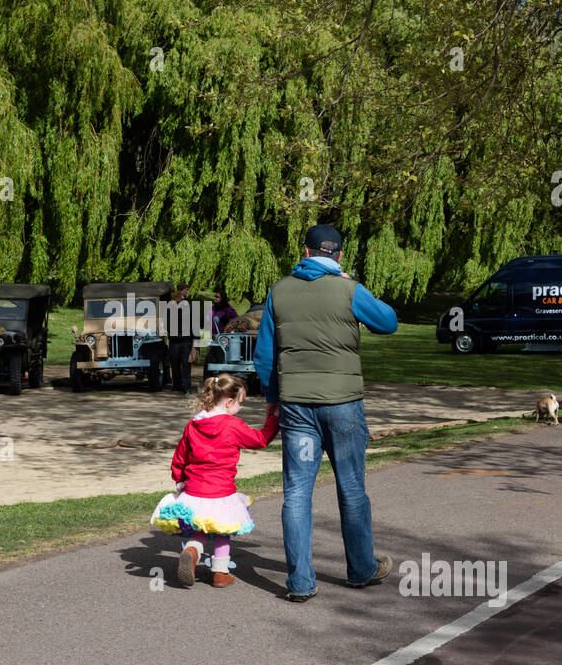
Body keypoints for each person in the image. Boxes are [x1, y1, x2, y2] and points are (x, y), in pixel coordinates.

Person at [253, 223, 399, 602]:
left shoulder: (279, 291)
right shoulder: (349, 289)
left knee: (297, 492)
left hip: (296, 406)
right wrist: (355, 285)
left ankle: (300, 583)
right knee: (351, 488)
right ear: (338, 256)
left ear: (305, 253)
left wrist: (273, 398)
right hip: (344, 405)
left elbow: (266, 354)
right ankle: (361, 569)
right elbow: (388, 322)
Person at [152, 374, 279, 588]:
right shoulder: (233, 425)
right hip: (221, 490)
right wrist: (274, 419)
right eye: (240, 403)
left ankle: (191, 552)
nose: (240, 407)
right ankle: (220, 573)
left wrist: (179, 479)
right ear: (229, 402)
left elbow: (180, 457)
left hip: (194, 489)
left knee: (199, 528)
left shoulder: (193, 425)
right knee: (224, 530)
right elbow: (260, 440)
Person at [163, 282, 198, 393]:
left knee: (185, 364)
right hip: (175, 340)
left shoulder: (187, 307)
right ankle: (177, 385)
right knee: (175, 364)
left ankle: (185, 386)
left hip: (185, 340)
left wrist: (196, 340)